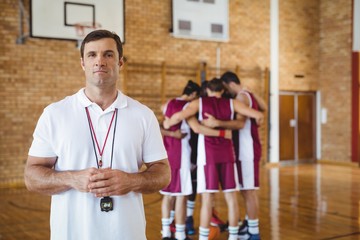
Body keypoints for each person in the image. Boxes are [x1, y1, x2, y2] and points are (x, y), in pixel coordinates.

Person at [24, 30, 171, 240]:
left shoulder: (143, 115)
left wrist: (131, 181)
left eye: (108, 55)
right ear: (82, 63)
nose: (99, 61)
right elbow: (31, 177)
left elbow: (163, 173)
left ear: (120, 63)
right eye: (92, 55)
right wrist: (72, 179)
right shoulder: (54, 114)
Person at [163, 78, 264, 240]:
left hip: (208, 157)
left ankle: (203, 237)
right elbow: (258, 114)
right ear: (222, 91)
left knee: (207, 198)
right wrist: (256, 122)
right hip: (227, 155)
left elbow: (178, 117)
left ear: (207, 91)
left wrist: (168, 123)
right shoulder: (232, 103)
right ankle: (233, 236)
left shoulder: (199, 103)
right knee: (231, 198)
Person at [160, 80, 231, 240]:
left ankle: (165, 233)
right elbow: (197, 128)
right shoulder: (187, 107)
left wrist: (168, 123)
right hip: (182, 154)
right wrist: (222, 134)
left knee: (168, 195)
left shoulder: (168, 103)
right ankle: (179, 234)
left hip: (168, 152)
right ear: (193, 95)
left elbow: (163, 122)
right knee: (181, 195)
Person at [202, 71, 266, 240]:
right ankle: (249, 226)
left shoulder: (240, 99)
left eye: (224, 89)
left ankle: (253, 232)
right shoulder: (247, 95)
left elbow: (241, 122)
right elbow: (264, 108)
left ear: (229, 85)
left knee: (249, 191)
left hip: (247, 149)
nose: (224, 93)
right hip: (245, 149)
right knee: (246, 191)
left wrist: (217, 123)